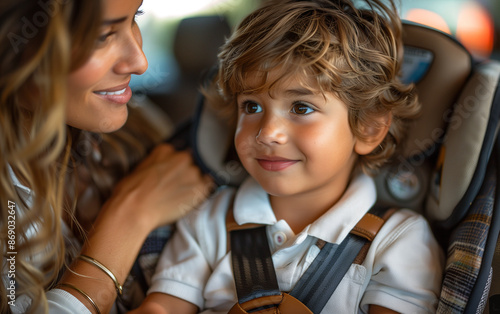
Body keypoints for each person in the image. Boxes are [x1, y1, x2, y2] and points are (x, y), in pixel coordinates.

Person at [132, 0, 445, 313]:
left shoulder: (397, 241)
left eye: (301, 108)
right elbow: (163, 306)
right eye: (251, 107)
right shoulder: (208, 221)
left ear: (368, 128)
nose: (268, 133)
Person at [0, 0, 212, 313]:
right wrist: (131, 216)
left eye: (135, 17)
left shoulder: (140, 127)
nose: (140, 62)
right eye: (103, 36)